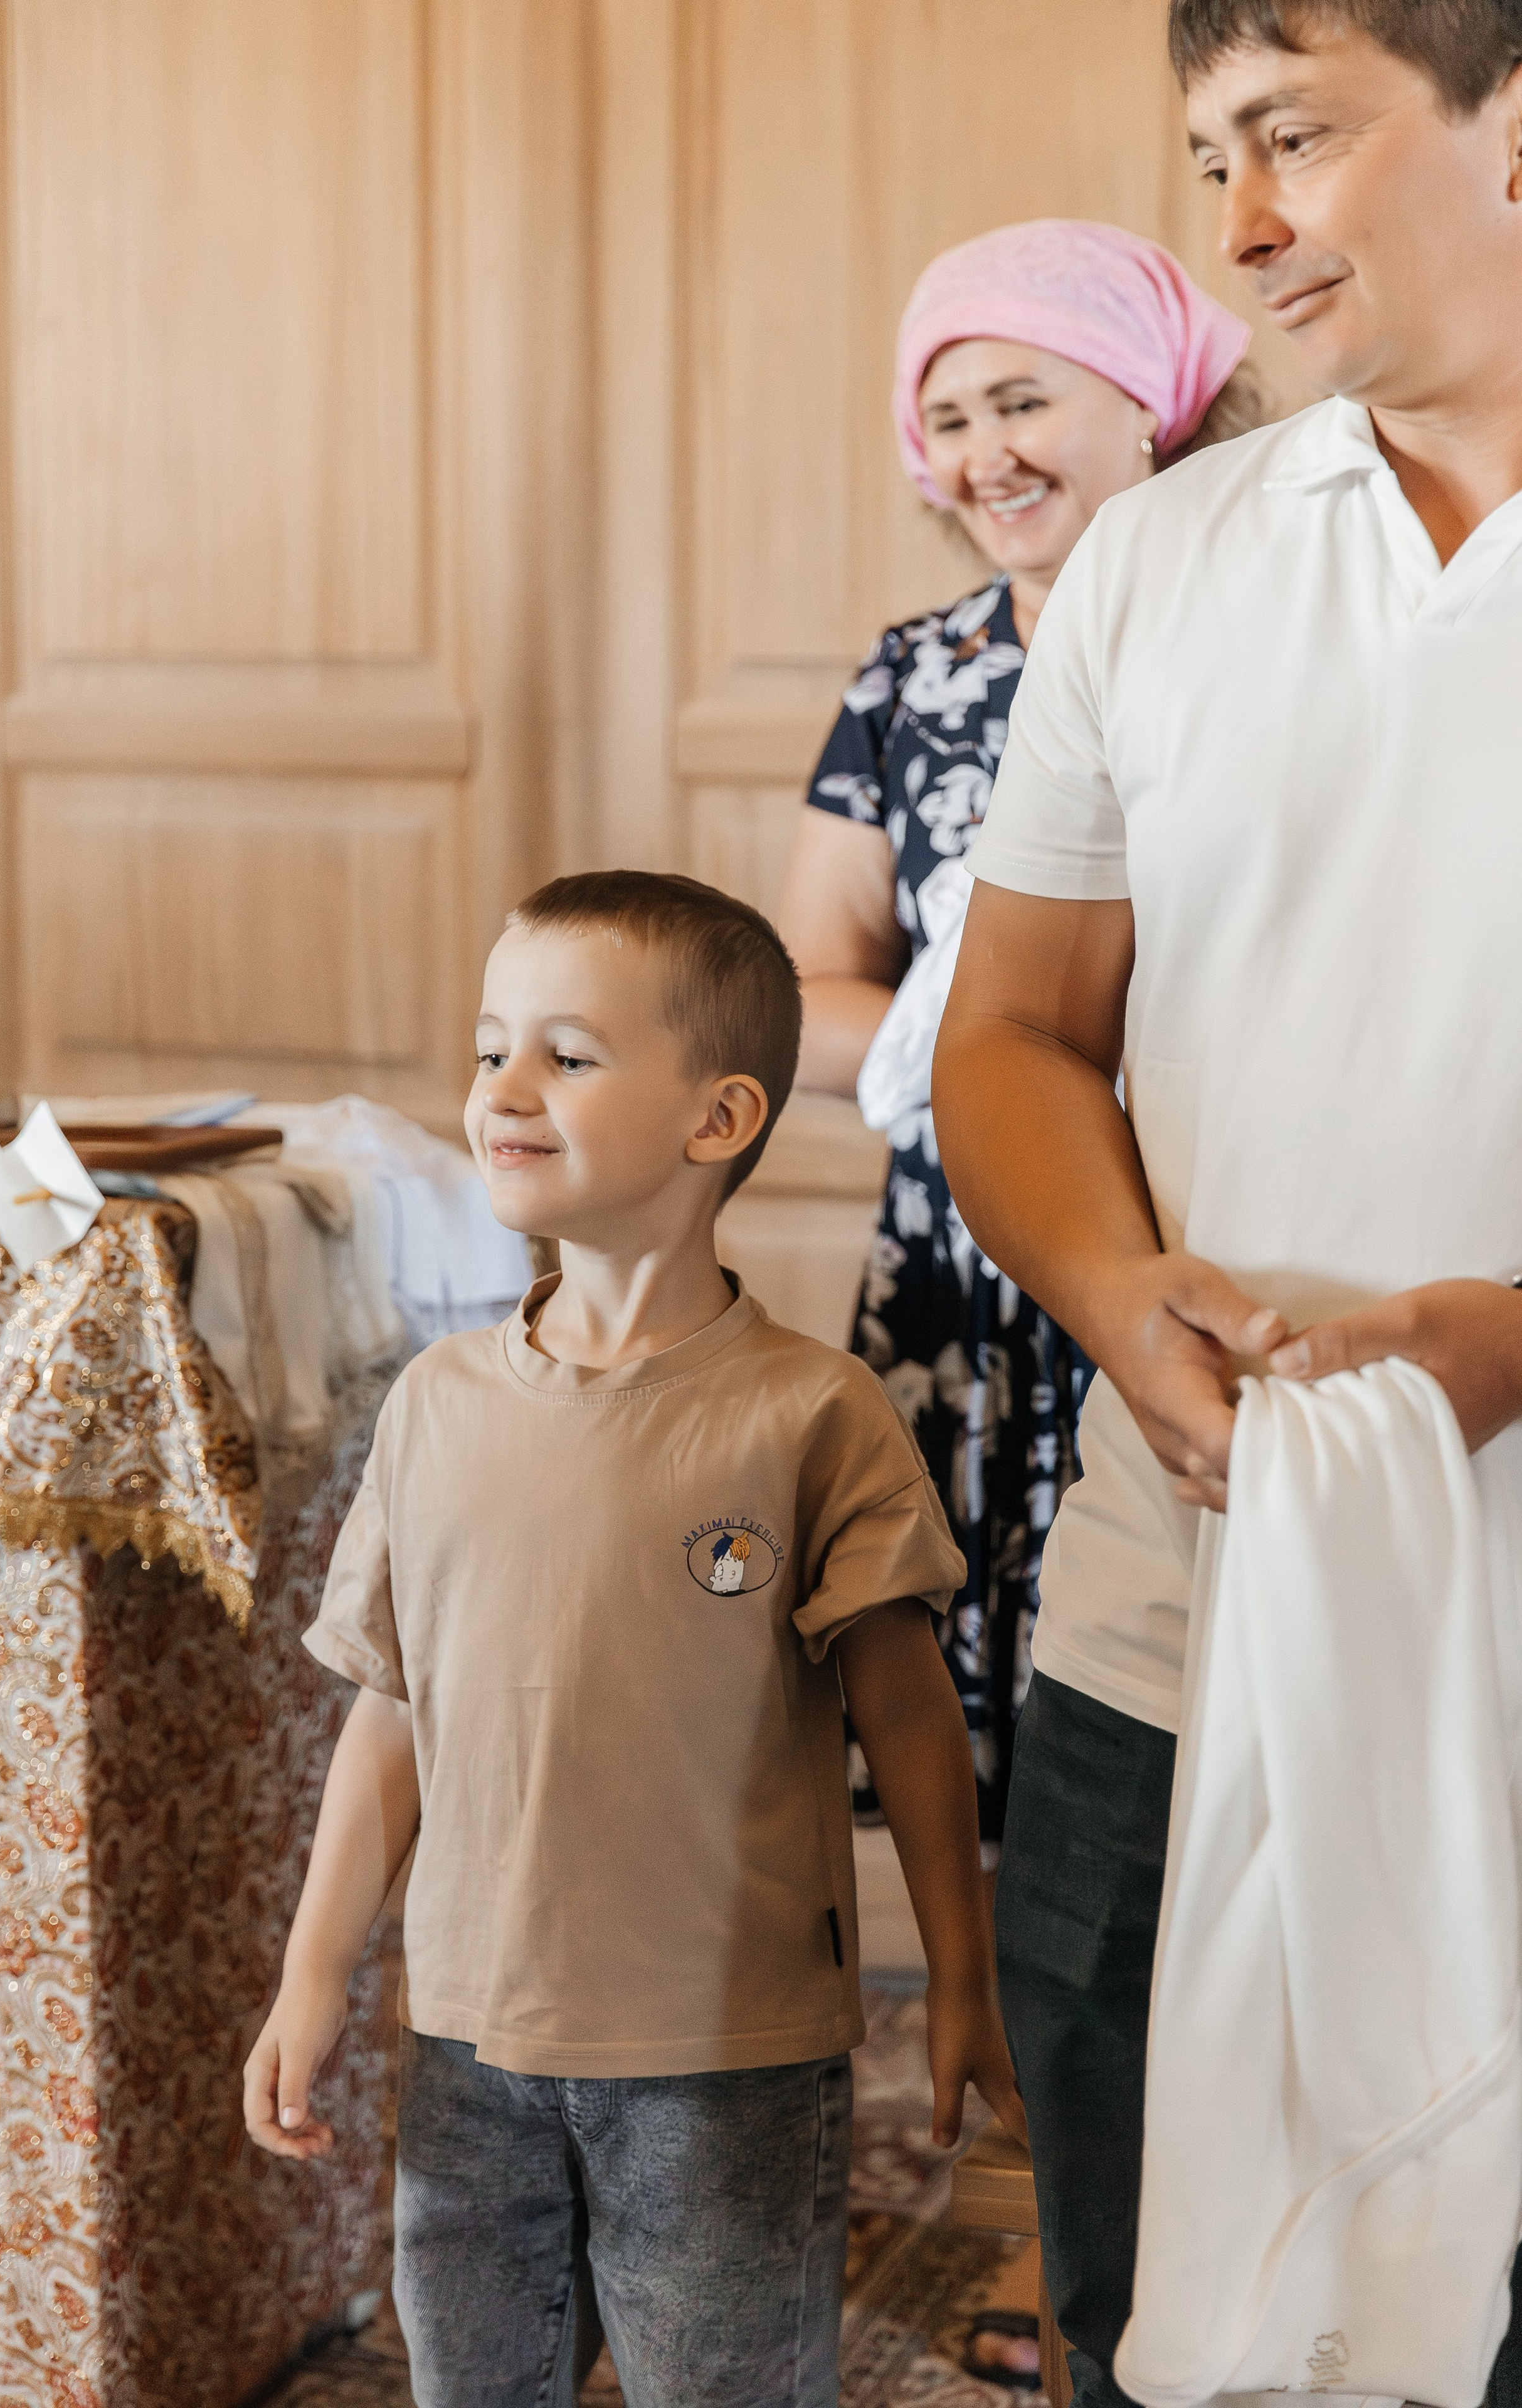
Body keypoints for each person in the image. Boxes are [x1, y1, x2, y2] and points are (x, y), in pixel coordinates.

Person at [931, 6, 1522, 2404]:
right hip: (1169, 1635)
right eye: (1212, 160)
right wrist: (1110, 1284)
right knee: (1153, 2320)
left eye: (1299, 137)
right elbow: (1015, 1036)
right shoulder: (1158, 570)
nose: (1244, 221)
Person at [243, 870, 1015, 2408]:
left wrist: (961, 1977)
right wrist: (315, 1967)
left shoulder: (813, 1413)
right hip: (467, 2038)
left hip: (726, 2054)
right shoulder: (433, 1405)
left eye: (565, 1057)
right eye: (487, 1049)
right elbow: (392, 1715)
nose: (500, 1092)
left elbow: (912, 1723)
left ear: (715, 1118)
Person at [775, 220, 1259, 1854]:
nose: (984, 453)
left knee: (1198, 1724)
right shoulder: (915, 679)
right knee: (967, 1737)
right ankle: (1003, 2069)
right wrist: (963, 1019)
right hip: (965, 1264)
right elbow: (803, 991)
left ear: (1148, 406)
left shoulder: (1259, 639)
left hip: (1196, 1233)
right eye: (953, 416)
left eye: (1022, 401)